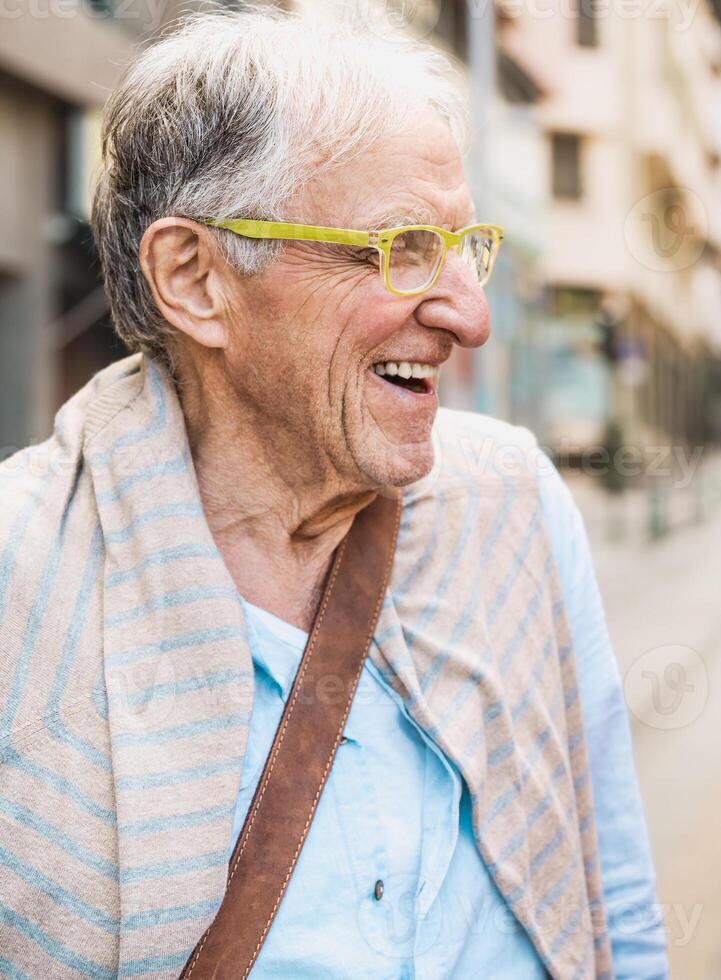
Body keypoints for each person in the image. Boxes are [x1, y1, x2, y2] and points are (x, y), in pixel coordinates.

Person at [0, 11, 666, 978]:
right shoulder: (19, 571)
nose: (467, 316)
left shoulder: (512, 500)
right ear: (195, 278)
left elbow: (613, 900)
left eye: (462, 247)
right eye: (400, 247)